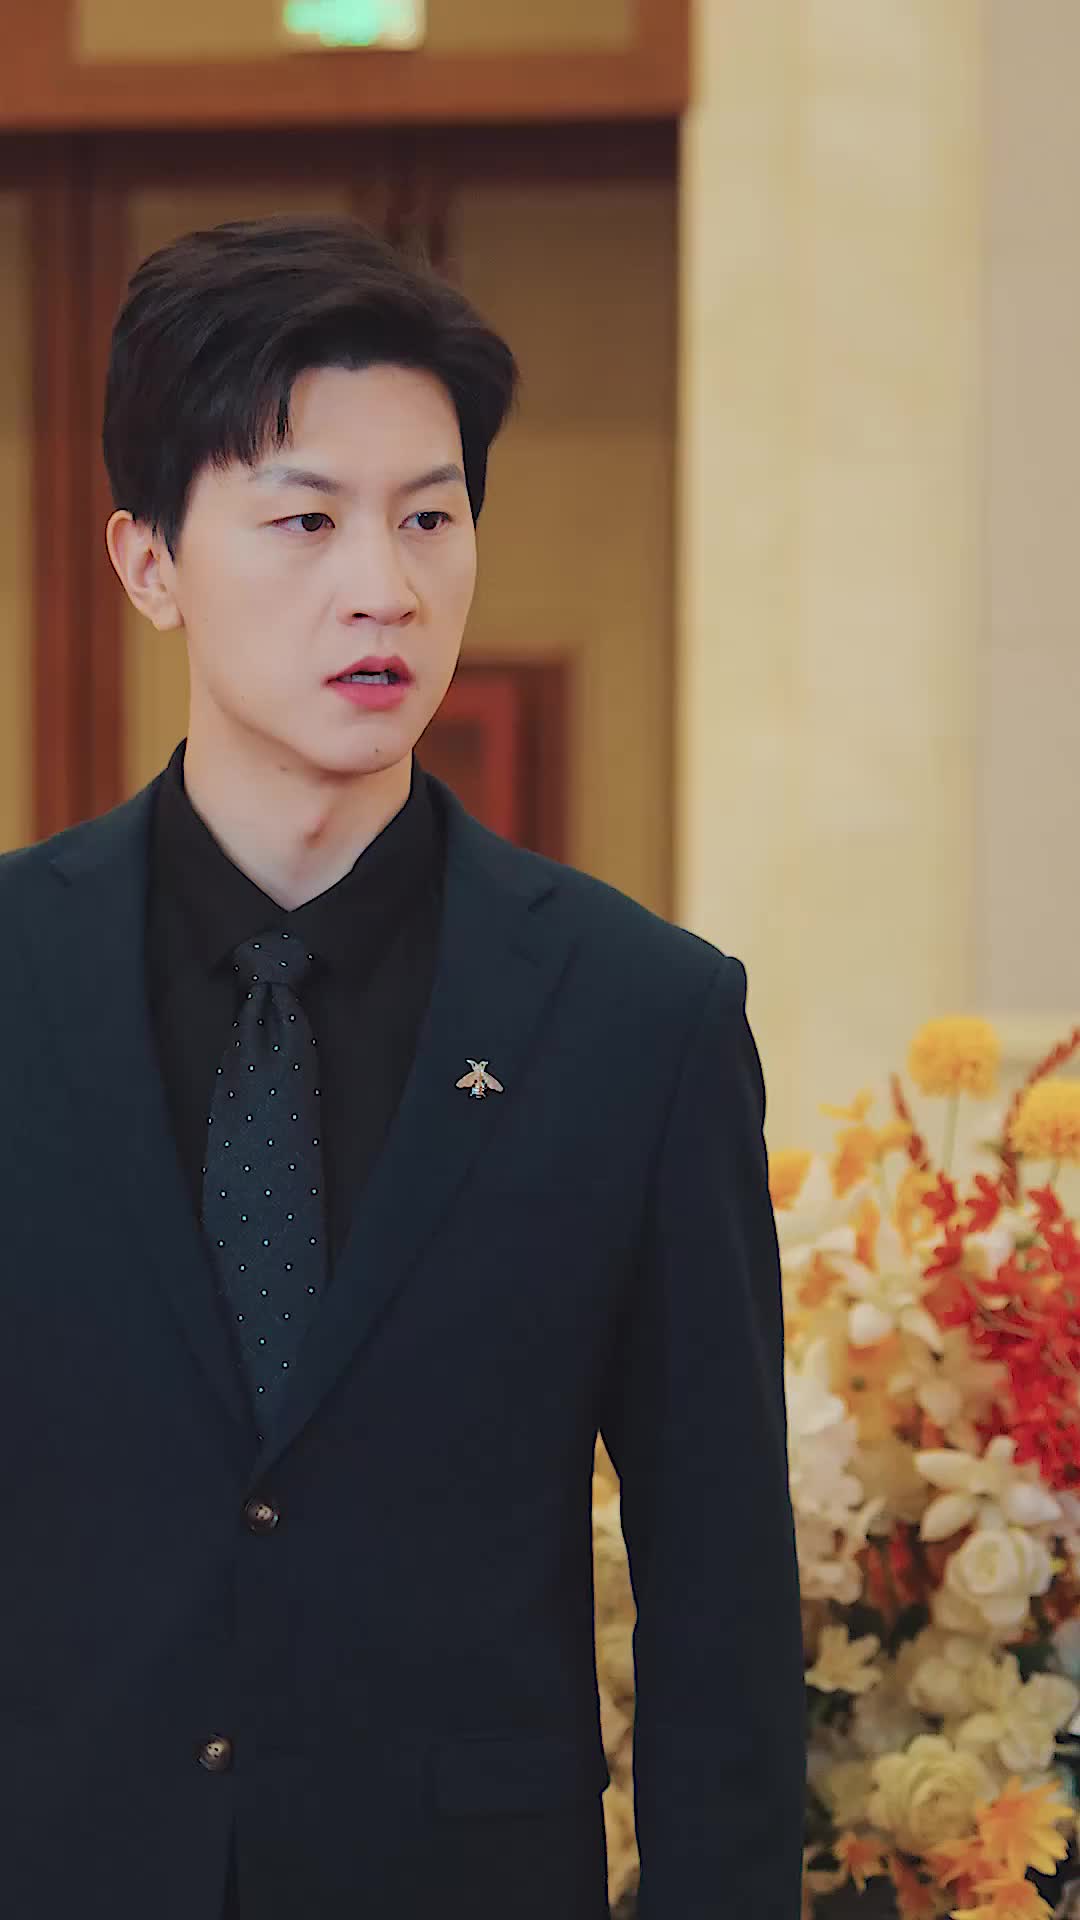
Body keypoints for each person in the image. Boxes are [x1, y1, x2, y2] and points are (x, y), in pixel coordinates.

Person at [0, 214, 805, 1919]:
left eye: (430, 517)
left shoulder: (640, 1017)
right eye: (306, 519)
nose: (386, 586)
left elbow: (719, 1600)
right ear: (148, 562)